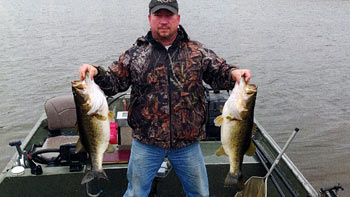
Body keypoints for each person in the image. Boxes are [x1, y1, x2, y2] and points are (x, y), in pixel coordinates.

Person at [79, 0, 251, 196]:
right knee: (135, 193)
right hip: (146, 142)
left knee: (200, 193)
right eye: (158, 15)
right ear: (149, 19)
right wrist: (96, 72)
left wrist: (235, 73)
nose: (163, 21)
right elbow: (113, 82)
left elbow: (219, 73)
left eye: (168, 15)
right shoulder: (135, 54)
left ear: (177, 18)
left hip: (187, 143)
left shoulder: (197, 51)